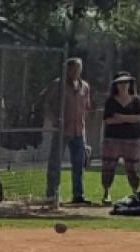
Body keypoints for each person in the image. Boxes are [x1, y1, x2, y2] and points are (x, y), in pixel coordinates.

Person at [42, 57, 94, 204]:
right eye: (74, 68)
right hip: (62, 130)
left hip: (79, 131)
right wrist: (53, 119)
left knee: (79, 164)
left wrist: (85, 125)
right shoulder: (58, 84)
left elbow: (87, 107)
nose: (77, 71)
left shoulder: (85, 86)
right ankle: (52, 194)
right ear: (68, 69)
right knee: (55, 163)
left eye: (79, 68)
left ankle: (78, 195)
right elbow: (47, 103)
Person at [100, 71, 140, 204]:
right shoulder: (111, 101)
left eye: (126, 82)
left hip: (132, 140)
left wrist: (122, 117)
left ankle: (135, 192)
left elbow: (138, 117)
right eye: (120, 83)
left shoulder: (136, 100)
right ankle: (106, 192)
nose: (123, 85)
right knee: (108, 166)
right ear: (116, 85)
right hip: (113, 139)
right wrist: (127, 119)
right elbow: (108, 120)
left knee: (133, 167)